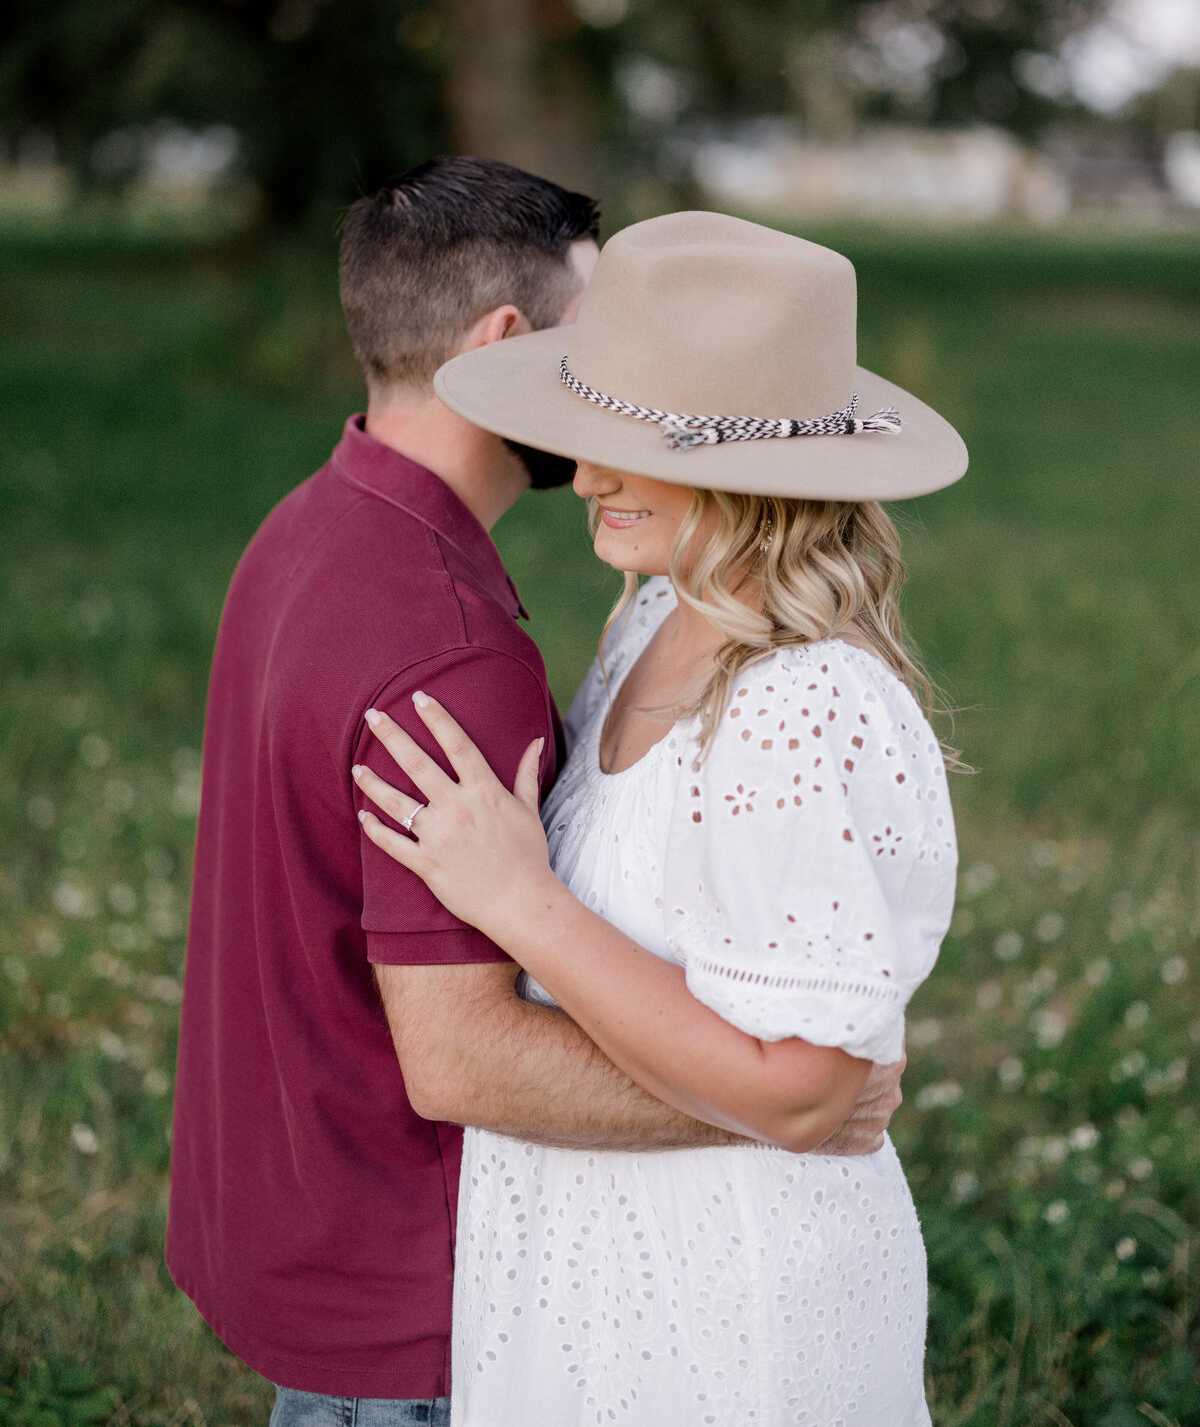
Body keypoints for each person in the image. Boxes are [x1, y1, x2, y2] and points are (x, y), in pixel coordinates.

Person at [165, 169, 902, 1426]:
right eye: (606, 338)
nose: (621, 387)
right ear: (507, 345)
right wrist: (791, 1102)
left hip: (306, 1225)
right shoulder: (447, 640)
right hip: (421, 1298)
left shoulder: (309, 525)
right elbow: (462, 1056)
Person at [355, 211, 968, 1426]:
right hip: (596, 1265)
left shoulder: (800, 705)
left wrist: (519, 901)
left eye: (630, 442)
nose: (583, 476)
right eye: (588, 435)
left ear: (758, 470)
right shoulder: (649, 618)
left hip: (731, 1305)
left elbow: (800, 1091)